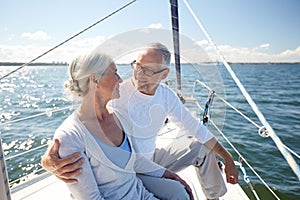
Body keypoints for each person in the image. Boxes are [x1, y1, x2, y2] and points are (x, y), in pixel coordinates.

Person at [42, 43, 238, 200]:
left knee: (200, 148)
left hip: (145, 160)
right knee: (178, 191)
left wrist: (228, 158)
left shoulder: (165, 95)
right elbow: (81, 128)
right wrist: (48, 159)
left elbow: (194, 127)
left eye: (148, 71)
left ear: (164, 74)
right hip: (129, 169)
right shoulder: (117, 93)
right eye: (137, 67)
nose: (138, 75)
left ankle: (214, 197)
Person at [48, 51, 193, 200]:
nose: (121, 80)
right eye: (115, 73)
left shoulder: (118, 117)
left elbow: (134, 160)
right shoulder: (71, 137)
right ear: (95, 80)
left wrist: (171, 176)